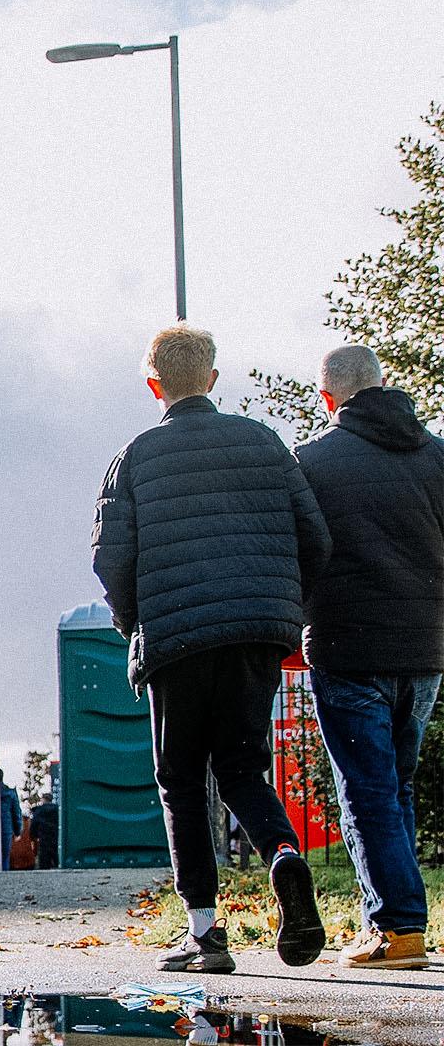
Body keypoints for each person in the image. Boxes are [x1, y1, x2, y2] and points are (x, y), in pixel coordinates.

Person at [93, 325, 330, 975]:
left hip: (176, 639)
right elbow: (316, 535)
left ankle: (205, 932)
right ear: (214, 379)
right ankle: (283, 853)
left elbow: (111, 556)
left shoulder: (135, 456)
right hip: (258, 636)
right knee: (243, 768)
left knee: (180, 782)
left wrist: (132, 622)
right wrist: (281, 609)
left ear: (154, 384)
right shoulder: (265, 444)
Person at [292, 344, 443, 970]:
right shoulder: (438, 455)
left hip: (349, 648)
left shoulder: (311, 462)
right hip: (428, 648)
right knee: (395, 786)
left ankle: (398, 926)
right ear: (385, 385)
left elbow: (297, 555)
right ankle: (391, 917)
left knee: (368, 790)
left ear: (328, 399)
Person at [0, 773, 24, 872]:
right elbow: (16, 813)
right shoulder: (10, 793)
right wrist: (17, 831)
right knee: (4, 858)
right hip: (5, 829)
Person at [30, 793, 60, 870]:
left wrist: (33, 836)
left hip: (43, 837)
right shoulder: (58, 809)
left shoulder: (39, 810)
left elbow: (34, 824)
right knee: (57, 859)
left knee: (44, 862)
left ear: (43, 799)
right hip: (56, 837)